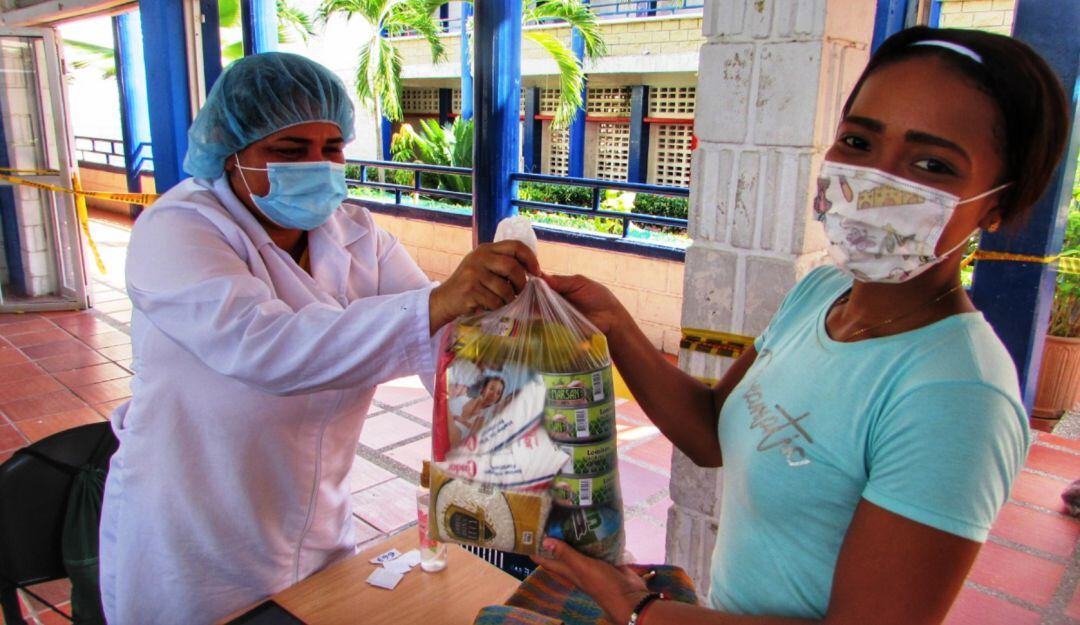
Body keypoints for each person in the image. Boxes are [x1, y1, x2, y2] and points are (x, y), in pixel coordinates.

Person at [536, 27, 1070, 625]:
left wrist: (634, 608)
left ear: (998, 204)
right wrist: (614, 324)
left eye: (931, 164)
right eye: (859, 141)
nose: (875, 182)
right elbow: (712, 432)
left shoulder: (959, 396)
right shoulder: (821, 294)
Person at [98, 52, 538, 625]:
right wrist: (439, 303)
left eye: (331, 148)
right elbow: (265, 348)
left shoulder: (357, 234)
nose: (317, 165)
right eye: (289, 150)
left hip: (317, 525)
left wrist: (511, 340)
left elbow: (443, 339)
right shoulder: (179, 229)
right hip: (194, 536)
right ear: (231, 154)